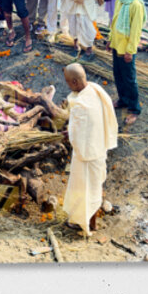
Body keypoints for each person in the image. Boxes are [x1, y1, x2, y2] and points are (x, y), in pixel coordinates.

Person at [59, 63, 118, 236]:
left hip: (86, 154)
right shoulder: (95, 89)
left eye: (68, 82)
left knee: (84, 189)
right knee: (94, 188)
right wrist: (71, 131)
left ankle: (85, 223)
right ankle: (92, 222)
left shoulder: (81, 105)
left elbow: (78, 134)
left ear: (75, 82)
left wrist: (69, 135)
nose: (67, 85)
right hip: (98, 147)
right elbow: (86, 126)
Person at [109, 0, 145, 125]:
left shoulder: (136, 4)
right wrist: (110, 40)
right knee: (118, 74)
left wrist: (130, 51)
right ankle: (123, 100)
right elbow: (114, 21)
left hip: (127, 49)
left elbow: (136, 31)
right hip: (117, 44)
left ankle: (134, 108)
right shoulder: (120, 0)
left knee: (130, 79)